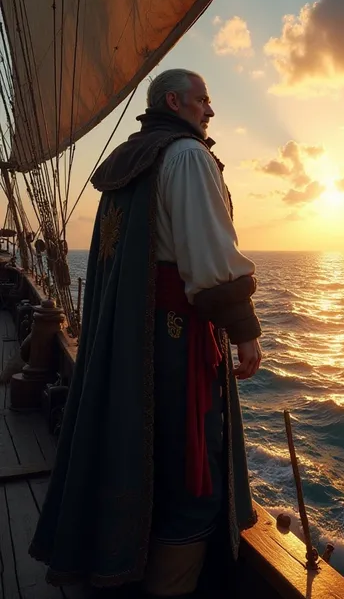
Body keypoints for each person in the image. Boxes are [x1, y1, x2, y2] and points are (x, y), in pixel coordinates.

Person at [29, 69, 262, 598]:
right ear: (175, 101)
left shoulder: (130, 163)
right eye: (203, 99)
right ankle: (170, 589)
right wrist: (244, 328)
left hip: (132, 338)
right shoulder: (185, 157)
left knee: (138, 451)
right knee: (189, 466)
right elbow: (209, 255)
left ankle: (119, 565)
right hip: (177, 344)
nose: (211, 111)